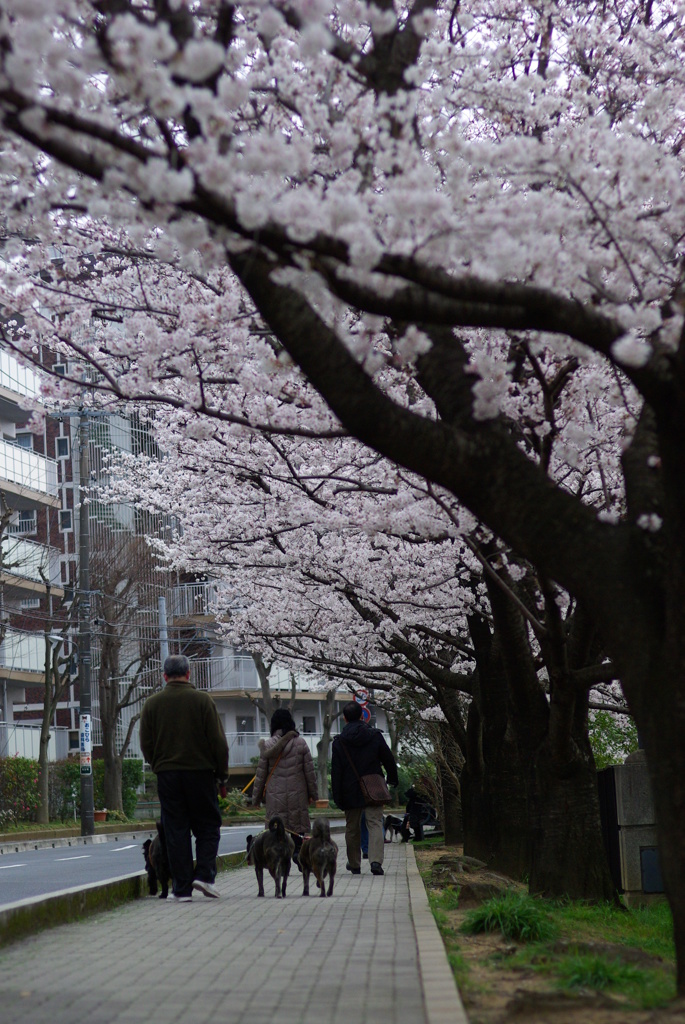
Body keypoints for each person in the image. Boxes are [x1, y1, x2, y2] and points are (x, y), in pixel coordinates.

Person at [139, 653, 228, 902]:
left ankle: (182, 889)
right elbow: (218, 743)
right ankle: (204, 875)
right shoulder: (203, 701)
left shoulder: (152, 704)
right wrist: (222, 776)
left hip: (168, 775)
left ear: (164, 676)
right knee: (208, 825)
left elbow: (145, 742)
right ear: (189, 674)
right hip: (201, 773)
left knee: (176, 830)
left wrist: (158, 764)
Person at [331, 701, 398, 876]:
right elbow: (388, 759)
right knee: (375, 823)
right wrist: (392, 778)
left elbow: (336, 771)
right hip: (373, 786)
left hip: (349, 789)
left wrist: (337, 796)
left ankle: (354, 863)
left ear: (345, 719)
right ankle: (376, 862)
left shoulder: (339, 742)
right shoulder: (375, 736)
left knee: (352, 827)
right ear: (362, 716)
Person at [251, 708, 318, 835]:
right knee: (297, 834)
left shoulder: (267, 745)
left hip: (275, 797)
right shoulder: (301, 743)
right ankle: (297, 853)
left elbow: (260, 775)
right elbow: (309, 772)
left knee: (276, 836)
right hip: (297, 796)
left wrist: (256, 799)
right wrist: (313, 795)